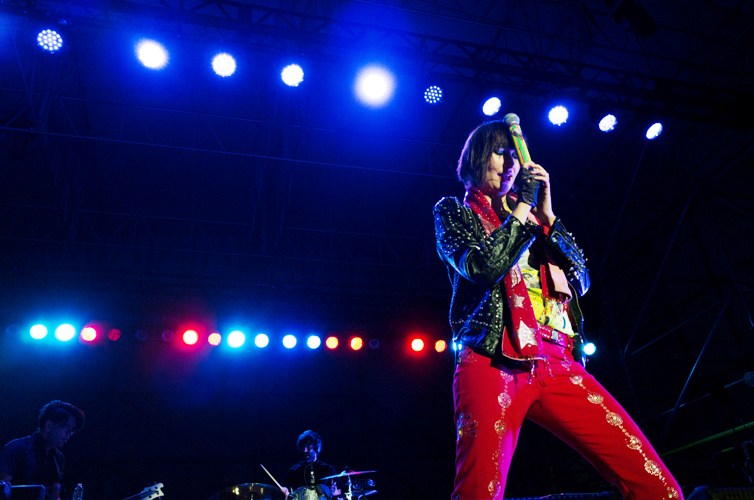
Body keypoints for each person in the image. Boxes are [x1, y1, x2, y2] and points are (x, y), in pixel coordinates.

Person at [433, 119, 683, 499]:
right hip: (494, 360)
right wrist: (521, 211)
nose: (511, 162)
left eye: (515, 154)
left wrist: (547, 216)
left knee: (657, 486)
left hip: (559, 360)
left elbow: (581, 279)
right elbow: (482, 266)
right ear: (477, 157)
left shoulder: (536, 220)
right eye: (501, 152)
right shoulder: (454, 211)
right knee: (479, 493)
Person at [0, 400, 85, 500]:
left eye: (71, 430)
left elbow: (55, 493)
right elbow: (2, 490)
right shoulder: (16, 448)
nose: (69, 433)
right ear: (48, 425)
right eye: (67, 427)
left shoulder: (58, 457)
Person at [281, 430, 336, 499]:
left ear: (316, 447)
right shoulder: (294, 471)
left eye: (308, 446)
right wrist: (285, 492)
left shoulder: (328, 469)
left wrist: (335, 491)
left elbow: (340, 491)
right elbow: (285, 490)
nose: (305, 450)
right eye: (303, 447)